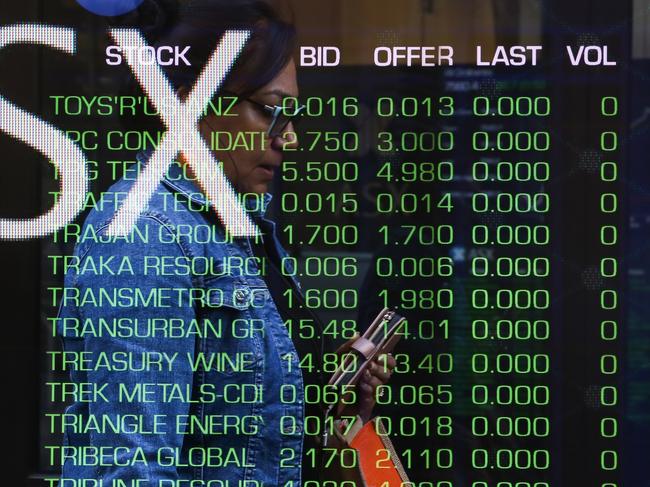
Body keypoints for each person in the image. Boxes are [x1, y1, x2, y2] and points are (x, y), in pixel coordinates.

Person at [56, 1, 395, 485]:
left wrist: (333, 397)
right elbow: (134, 470)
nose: (290, 138)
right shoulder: (145, 236)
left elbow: (255, 441)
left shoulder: (240, 227)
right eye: (273, 112)